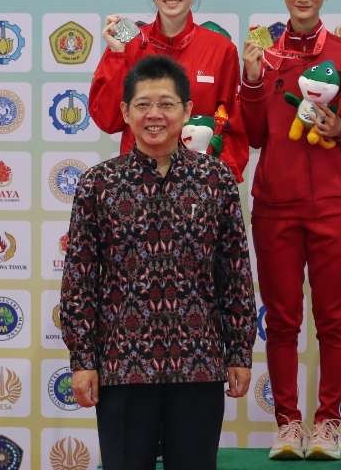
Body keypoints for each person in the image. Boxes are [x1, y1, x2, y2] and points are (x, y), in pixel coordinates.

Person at [60, 55, 256, 470]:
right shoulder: (99, 184)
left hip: (198, 364)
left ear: (186, 110)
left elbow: (235, 273)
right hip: (122, 366)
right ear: (125, 112)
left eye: (166, 104)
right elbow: (79, 280)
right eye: (143, 104)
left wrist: (239, 352)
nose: (155, 115)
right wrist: (82, 361)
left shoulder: (215, 180)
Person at [239, 0, 341, 461]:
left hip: (334, 205)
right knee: (280, 320)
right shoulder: (263, 55)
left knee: (333, 320)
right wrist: (251, 81)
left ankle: (328, 423)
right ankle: (288, 424)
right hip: (275, 205)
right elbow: (253, 135)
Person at [89, 0, 248, 180]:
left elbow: (232, 126)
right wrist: (117, 56)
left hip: (198, 188)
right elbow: (108, 120)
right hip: (136, 185)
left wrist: (218, 181)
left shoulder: (221, 49)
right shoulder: (129, 42)